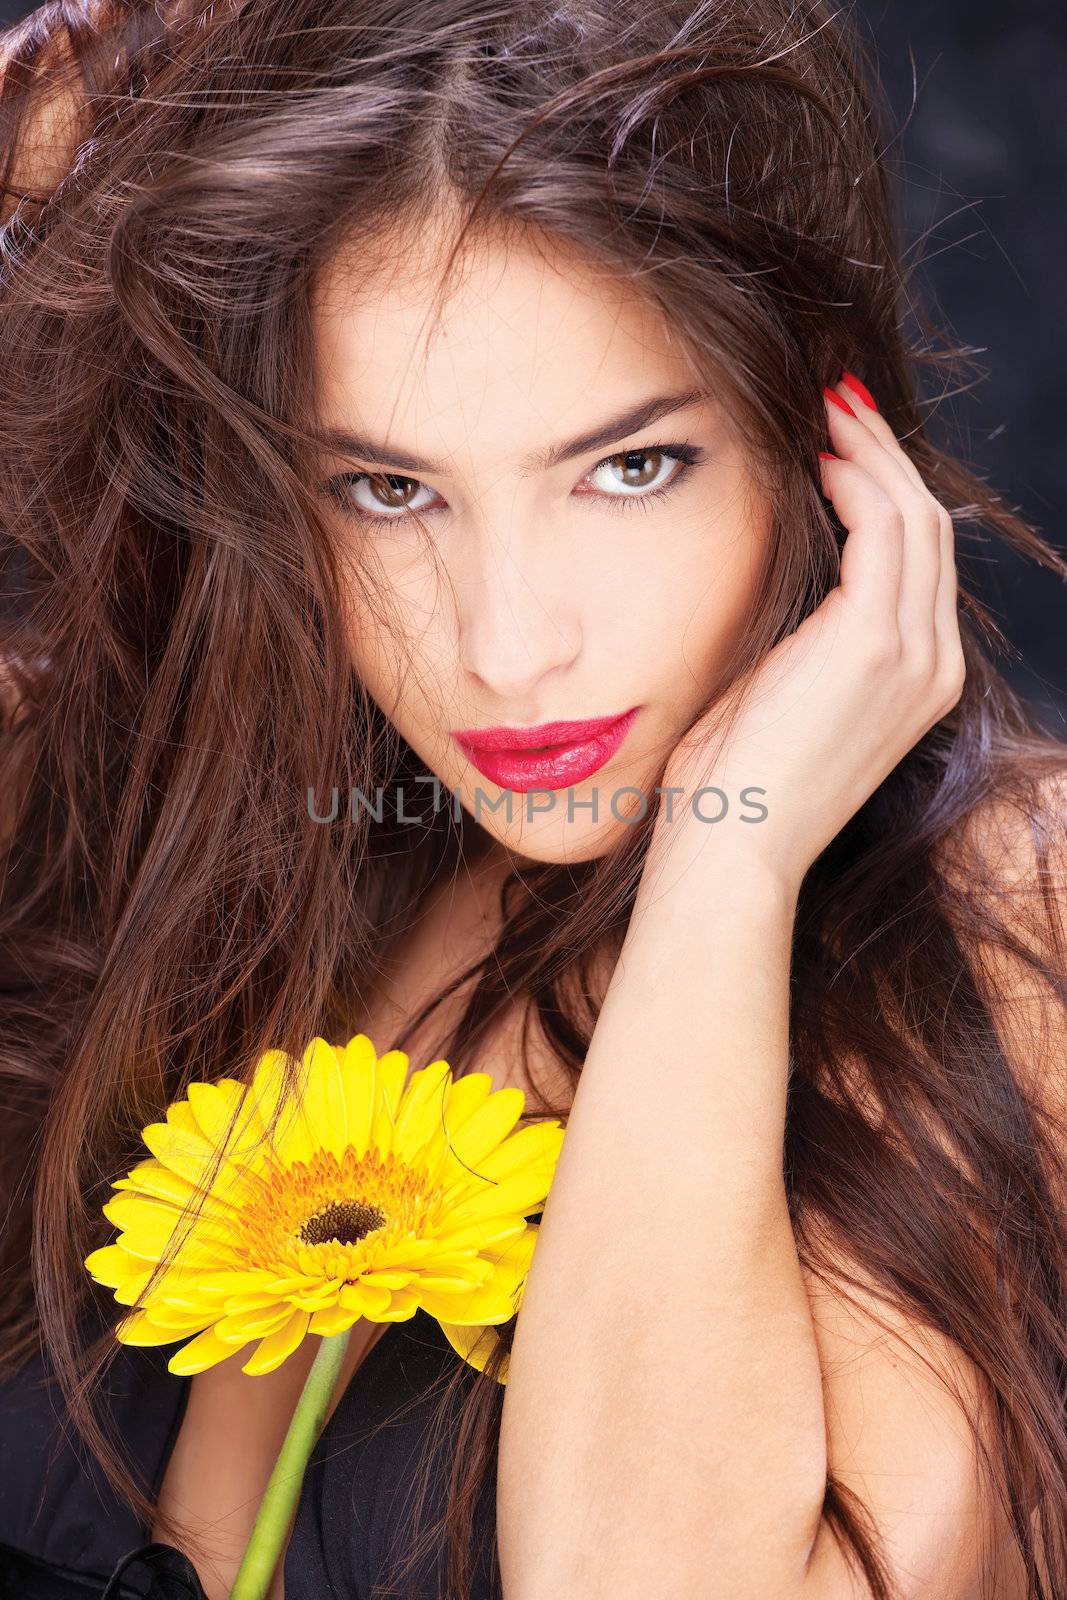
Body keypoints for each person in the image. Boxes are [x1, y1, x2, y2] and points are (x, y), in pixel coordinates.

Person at [0, 1, 1065, 1597]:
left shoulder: (1007, 912)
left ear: (818, 445)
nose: (510, 648)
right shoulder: (163, 808)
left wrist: (729, 870)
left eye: (629, 468)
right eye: (389, 489)